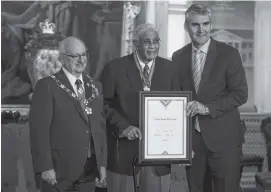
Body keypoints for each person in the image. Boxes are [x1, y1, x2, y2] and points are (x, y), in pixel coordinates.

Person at [172, 4, 248, 192]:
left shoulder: (229, 54)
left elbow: (241, 94)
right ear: (186, 26)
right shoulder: (178, 57)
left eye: (205, 24)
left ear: (210, 24)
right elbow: (175, 98)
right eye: (195, 24)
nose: (201, 29)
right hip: (193, 144)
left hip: (225, 141)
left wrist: (206, 108)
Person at [100, 23, 180, 192]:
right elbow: (103, 105)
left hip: (159, 158)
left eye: (156, 41)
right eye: (147, 42)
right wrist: (123, 127)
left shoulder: (171, 69)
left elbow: (177, 108)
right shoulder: (114, 69)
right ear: (136, 44)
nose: (153, 46)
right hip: (123, 154)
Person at [29, 37, 107, 192]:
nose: (81, 60)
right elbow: (39, 131)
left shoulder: (95, 86)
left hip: (89, 170)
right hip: (59, 172)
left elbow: (100, 127)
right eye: (75, 56)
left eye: (84, 55)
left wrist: (102, 164)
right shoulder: (47, 86)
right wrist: (45, 167)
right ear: (63, 58)